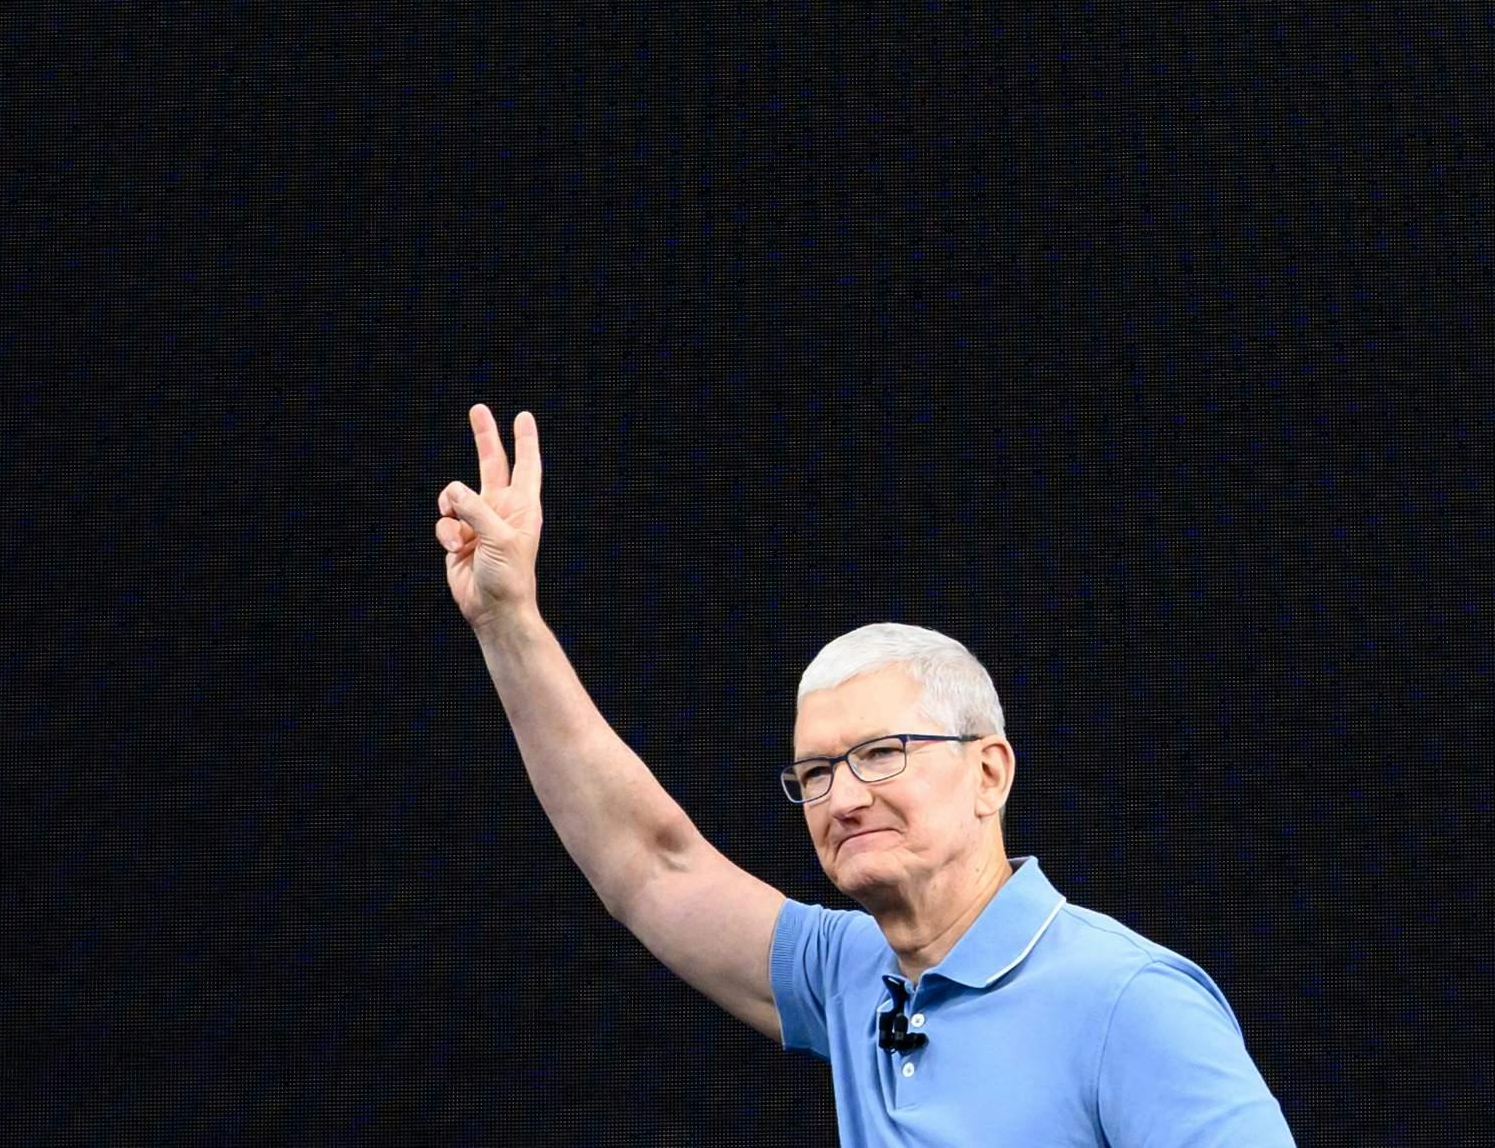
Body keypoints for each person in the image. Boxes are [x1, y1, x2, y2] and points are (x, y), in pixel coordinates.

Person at [432, 401, 1301, 1143]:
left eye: (882, 753)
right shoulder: (853, 973)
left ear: (990, 772)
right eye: (814, 771)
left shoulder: (1129, 1001)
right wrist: (509, 621)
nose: (844, 797)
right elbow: (652, 865)